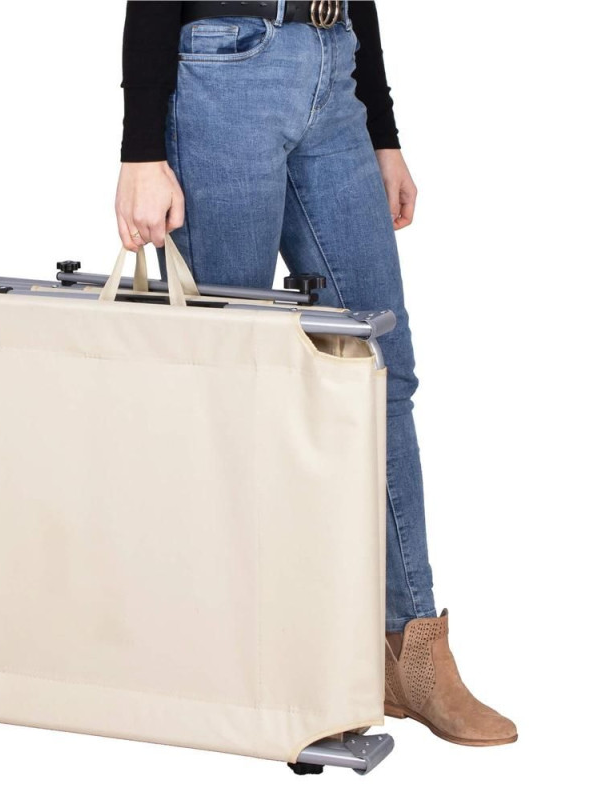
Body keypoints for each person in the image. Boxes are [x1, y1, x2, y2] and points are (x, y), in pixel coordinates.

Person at [115, 0, 516, 746]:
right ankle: (238, 657)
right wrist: (140, 149)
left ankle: (411, 653)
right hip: (225, 70)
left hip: (334, 69)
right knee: (232, 385)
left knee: (380, 372)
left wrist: (383, 133)